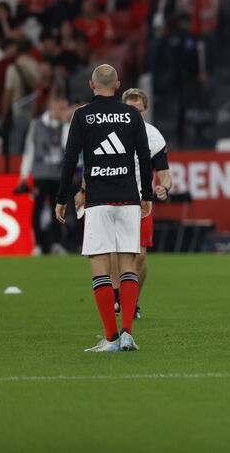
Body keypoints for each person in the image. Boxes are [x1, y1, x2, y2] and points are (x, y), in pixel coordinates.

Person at [54, 65, 153, 352]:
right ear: (118, 85)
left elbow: (70, 158)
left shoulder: (82, 115)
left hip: (97, 198)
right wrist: (146, 193)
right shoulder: (132, 114)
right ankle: (128, 332)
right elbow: (143, 156)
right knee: (128, 265)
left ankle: (111, 337)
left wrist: (63, 197)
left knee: (99, 265)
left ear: (91, 85)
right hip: (128, 197)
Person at [104, 88, 171, 320]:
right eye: (129, 108)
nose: (133, 113)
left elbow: (164, 173)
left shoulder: (153, 137)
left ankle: (132, 300)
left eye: (138, 109)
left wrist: (165, 186)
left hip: (141, 200)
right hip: (113, 194)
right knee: (114, 248)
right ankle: (116, 298)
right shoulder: (110, 131)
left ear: (145, 109)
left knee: (140, 255)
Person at [17, 95, 70, 255]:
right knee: (38, 209)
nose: (63, 111)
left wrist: (66, 124)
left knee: (58, 209)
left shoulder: (64, 126)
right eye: (61, 107)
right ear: (53, 106)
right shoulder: (36, 124)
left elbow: (66, 146)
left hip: (58, 174)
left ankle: (56, 243)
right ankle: (38, 244)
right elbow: (29, 149)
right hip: (40, 174)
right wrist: (24, 174)